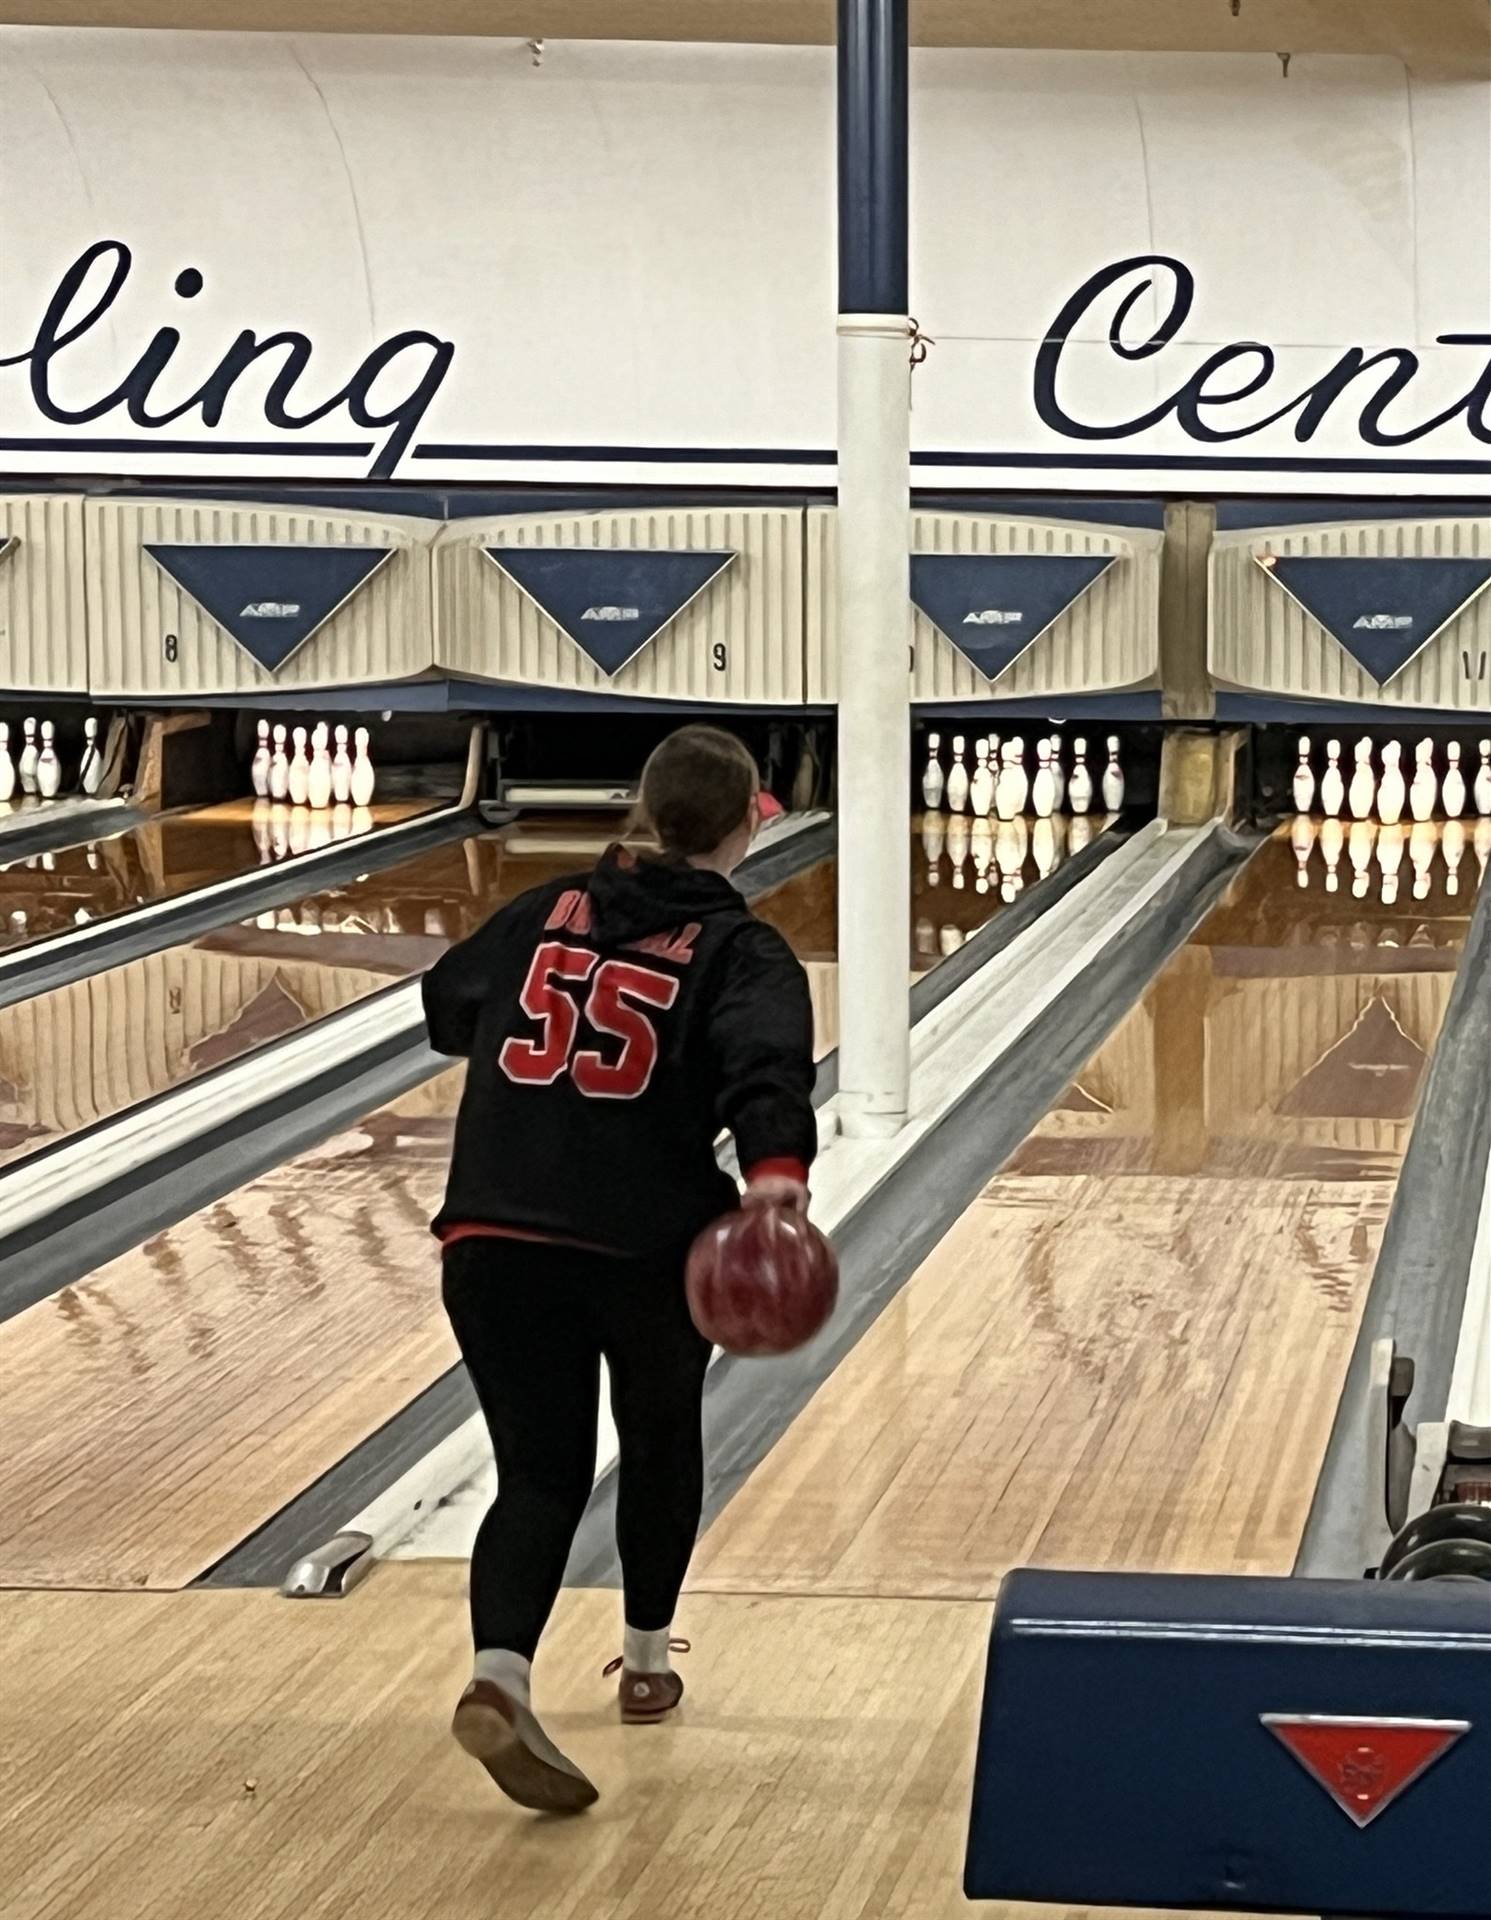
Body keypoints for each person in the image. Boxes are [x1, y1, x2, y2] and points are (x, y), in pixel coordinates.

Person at [422, 724, 817, 1814]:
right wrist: (777, 1174)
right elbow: (766, 1067)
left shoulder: (537, 912)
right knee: (656, 1437)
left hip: (491, 1238)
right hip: (642, 1248)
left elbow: (446, 1010)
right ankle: (645, 1665)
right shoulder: (742, 952)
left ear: (639, 811)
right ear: (752, 821)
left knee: (537, 1474)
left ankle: (500, 1675)